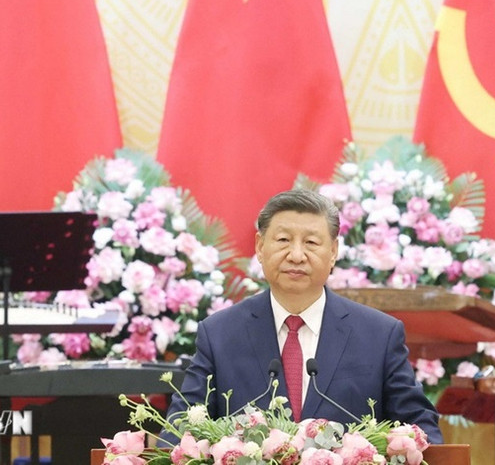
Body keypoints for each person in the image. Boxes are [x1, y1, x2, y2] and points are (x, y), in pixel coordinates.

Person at [164, 188, 443, 443]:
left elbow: (420, 429)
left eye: (311, 242)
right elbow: (180, 430)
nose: (296, 255)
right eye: (284, 240)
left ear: (333, 252)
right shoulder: (219, 334)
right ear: (260, 247)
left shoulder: (379, 335)